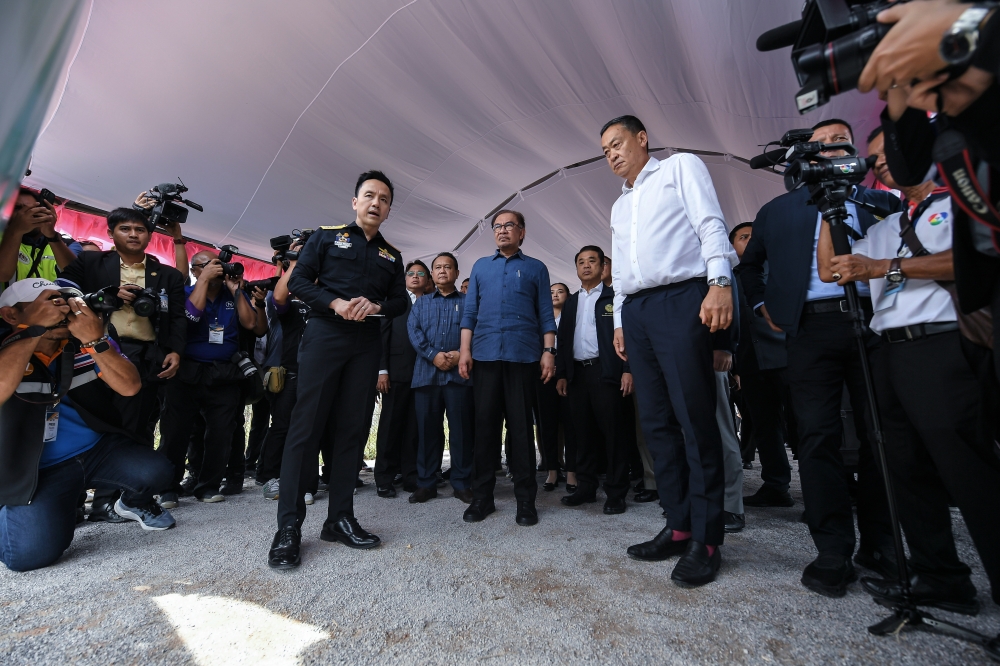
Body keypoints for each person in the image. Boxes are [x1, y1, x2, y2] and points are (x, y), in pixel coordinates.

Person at [816, 135, 1000, 616]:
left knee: (968, 469)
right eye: (875, 157)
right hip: (889, 351)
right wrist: (827, 210)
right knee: (904, 467)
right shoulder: (887, 225)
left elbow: (974, 258)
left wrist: (884, 267)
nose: (879, 161)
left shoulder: (962, 202)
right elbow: (833, 271)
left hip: (943, 344)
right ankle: (940, 577)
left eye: (890, 150)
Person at [739, 118, 903, 597]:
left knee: (883, 434)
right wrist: (763, 306)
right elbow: (750, 268)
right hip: (810, 328)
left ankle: (881, 543)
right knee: (816, 435)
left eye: (840, 140)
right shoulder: (778, 209)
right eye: (822, 141)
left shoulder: (881, 203)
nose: (832, 147)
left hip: (876, 322)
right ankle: (832, 547)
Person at [599, 114, 735, 587]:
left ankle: (708, 538)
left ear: (641, 139)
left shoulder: (680, 168)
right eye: (605, 151)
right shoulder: (619, 205)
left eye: (617, 143)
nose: (612, 155)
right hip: (637, 311)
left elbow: (711, 224)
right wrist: (620, 321)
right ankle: (678, 525)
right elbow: (620, 272)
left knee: (694, 418)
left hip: (681, 299)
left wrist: (720, 282)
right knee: (656, 422)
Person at [267, 170, 407, 570]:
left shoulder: (392, 255)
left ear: (389, 209)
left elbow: (401, 301)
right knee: (305, 429)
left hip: (366, 343)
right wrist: (335, 303)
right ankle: (288, 527)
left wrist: (378, 306)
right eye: (369, 195)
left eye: (384, 199)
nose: (376, 203)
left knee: (352, 429)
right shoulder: (327, 238)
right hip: (325, 336)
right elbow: (298, 283)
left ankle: (340, 519)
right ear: (355, 202)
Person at [0, 279, 175, 572]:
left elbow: (130, 386)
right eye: (47, 302)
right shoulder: (6, 349)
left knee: (156, 471)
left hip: (95, 451)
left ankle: (128, 502)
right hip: (38, 470)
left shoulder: (83, 343)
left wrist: (95, 341)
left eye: (62, 300)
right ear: (11, 315)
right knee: (28, 556)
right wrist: (33, 332)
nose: (60, 307)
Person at [58, 207, 188, 520]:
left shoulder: (166, 274)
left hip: (144, 354)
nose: (133, 234)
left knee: (136, 426)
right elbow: (62, 290)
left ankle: (118, 500)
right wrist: (103, 296)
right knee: (88, 422)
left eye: (140, 230)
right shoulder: (91, 263)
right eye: (125, 229)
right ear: (111, 233)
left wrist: (175, 350)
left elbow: (177, 317)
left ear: (149, 235)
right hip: (92, 352)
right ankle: (72, 502)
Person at [458, 209, 556, 527]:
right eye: (497, 226)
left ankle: (526, 501)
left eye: (509, 225)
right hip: (485, 357)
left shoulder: (536, 268)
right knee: (484, 428)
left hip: (523, 357)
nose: (502, 230)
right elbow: (469, 313)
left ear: (522, 232)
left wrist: (548, 351)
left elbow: (545, 313)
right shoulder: (480, 267)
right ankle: (482, 498)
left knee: (521, 430)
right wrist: (465, 351)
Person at [155, 250, 259, 508]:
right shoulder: (185, 293)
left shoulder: (232, 294)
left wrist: (237, 291)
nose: (217, 268)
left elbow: (251, 324)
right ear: (195, 270)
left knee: (221, 431)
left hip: (223, 372)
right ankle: (168, 488)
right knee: (176, 431)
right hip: (187, 371)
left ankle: (209, 485)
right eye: (208, 265)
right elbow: (191, 318)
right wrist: (203, 281)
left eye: (219, 264)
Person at [555, 245, 633, 514]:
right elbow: (563, 340)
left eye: (592, 261)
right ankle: (586, 488)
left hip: (606, 372)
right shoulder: (571, 302)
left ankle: (616, 492)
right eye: (581, 262)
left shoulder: (615, 298)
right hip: (577, 375)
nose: (586, 266)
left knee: (613, 434)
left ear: (602, 267)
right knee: (582, 434)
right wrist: (562, 374)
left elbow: (628, 336)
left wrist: (628, 369)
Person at [729, 222, 794, 508]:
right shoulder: (727, 279)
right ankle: (776, 486)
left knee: (803, 424)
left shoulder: (785, 268)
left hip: (788, 357)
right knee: (764, 426)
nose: (749, 240)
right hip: (750, 363)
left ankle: (821, 493)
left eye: (754, 236)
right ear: (732, 246)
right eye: (743, 237)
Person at [407, 252, 475, 504]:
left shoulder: (470, 302)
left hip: (460, 376)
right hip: (426, 376)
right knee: (427, 432)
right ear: (432, 275)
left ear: (457, 273)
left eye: (448, 267)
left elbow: (478, 331)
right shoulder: (421, 304)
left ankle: (462, 483)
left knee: (461, 431)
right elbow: (413, 332)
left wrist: (461, 354)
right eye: (438, 267)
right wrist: (433, 355)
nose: (443, 271)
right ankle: (426, 483)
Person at [373, 259, 428, 497]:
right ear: (404, 278)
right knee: (390, 425)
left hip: (424, 373)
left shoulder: (431, 301)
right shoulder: (394, 301)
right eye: (411, 273)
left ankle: (410, 476)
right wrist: (382, 370)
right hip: (395, 372)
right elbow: (381, 335)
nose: (415, 276)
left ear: (428, 280)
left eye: (421, 273)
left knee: (414, 428)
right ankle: (384, 477)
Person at [0, 188, 79, 286]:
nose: (27, 213)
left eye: (34, 208)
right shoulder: (3, 239)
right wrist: (16, 230)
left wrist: (51, 235)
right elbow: (2, 275)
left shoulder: (65, 243)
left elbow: (76, 274)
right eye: (18, 208)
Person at [540, 282, 572, 491]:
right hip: (545, 375)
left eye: (560, 291)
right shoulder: (542, 319)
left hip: (568, 373)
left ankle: (572, 472)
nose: (555, 295)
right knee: (548, 424)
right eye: (551, 292)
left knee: (571, 424)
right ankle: (552, 470)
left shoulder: (572, 317)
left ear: (568, 296)